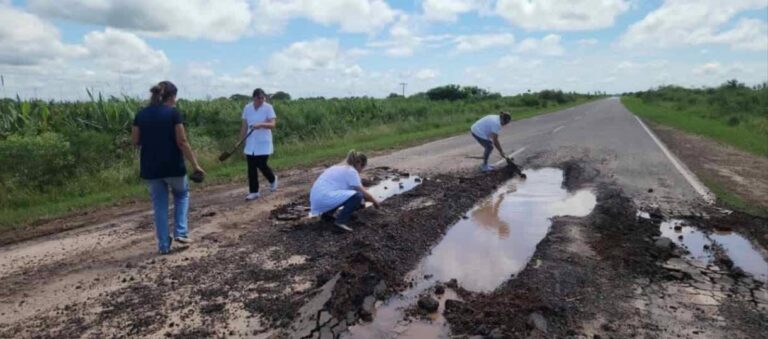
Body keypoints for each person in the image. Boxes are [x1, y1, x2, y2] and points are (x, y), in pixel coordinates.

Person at [132, 81, 205, 254]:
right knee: (181, 195)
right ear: (171, 97)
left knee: (159, 205)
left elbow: (135, 141)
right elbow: (182, 141)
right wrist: (195, 165)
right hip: (173, 165)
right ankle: (180, 232)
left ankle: (163, 245)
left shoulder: (141, 114)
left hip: (150, 168)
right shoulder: (173, 114)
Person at [309, 150, 381, 232]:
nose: (361, 170)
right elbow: (363, 194)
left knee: (352, 196)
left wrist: (364, 201)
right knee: (357, 196)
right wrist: (375, 202)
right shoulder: (351, 171)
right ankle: (340, 221)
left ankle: (327, 215)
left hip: (316, 199)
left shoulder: (338, 168)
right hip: (324, 198)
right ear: (359, 163)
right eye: (362, 167)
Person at [240, 88, 278, 201]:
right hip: (251, 141)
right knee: (251, 167)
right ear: (254, 98)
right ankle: (254, 192)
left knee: (261, 164)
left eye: (263, 98)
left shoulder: (268, 108)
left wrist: (261, 124)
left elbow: (273, 124)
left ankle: (272, 179)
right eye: (259, 98)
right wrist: (241, 140)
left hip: (263, 141)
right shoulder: (247, 108)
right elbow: (244, 126)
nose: (261, 100)